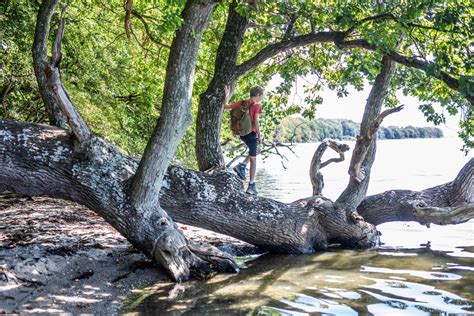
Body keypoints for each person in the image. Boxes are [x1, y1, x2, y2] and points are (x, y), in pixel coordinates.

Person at [223, 85, 263, 195]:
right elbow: (256, 122)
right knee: (254, 159)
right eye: (261, 96)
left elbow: (225, 107)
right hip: (251, 134)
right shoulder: (256, 105)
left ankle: (242, 165)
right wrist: (259, 135)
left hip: (242, 133)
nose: (261, 98)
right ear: (258, 95)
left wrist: (226, 95)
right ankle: (251, 185)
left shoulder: (242, 103)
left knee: (257, 151)